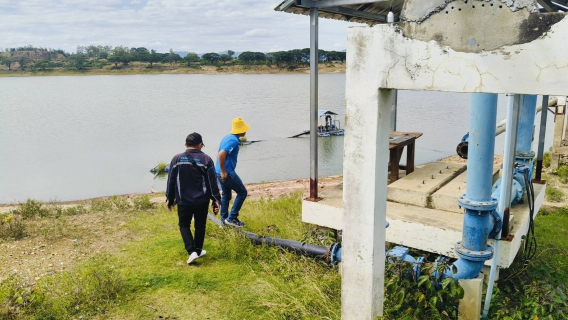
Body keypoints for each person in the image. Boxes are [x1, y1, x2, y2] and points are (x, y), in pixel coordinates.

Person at [166, 132, 221, 265]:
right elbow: (212, 182)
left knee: (184, 225)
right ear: (200, 145)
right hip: (201, 200)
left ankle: (192, 252)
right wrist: (216, 199)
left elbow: (171, 180)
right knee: (200, 225)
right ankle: (196, 250)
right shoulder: (206, 160)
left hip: (183, 200)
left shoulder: (176, 159)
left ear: (186, 144)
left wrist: (169, 198)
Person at [216, 117, 250, 227]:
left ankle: (224, 220)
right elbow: (221, 154)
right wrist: (224, 172)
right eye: (245, 129)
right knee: (242, 192)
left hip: (218, 171)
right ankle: (232, 218)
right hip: (226, 172)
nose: (246, 131)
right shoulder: (234, 140)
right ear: (241, 130)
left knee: (226, 194)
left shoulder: (227, 137)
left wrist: (221, 171)